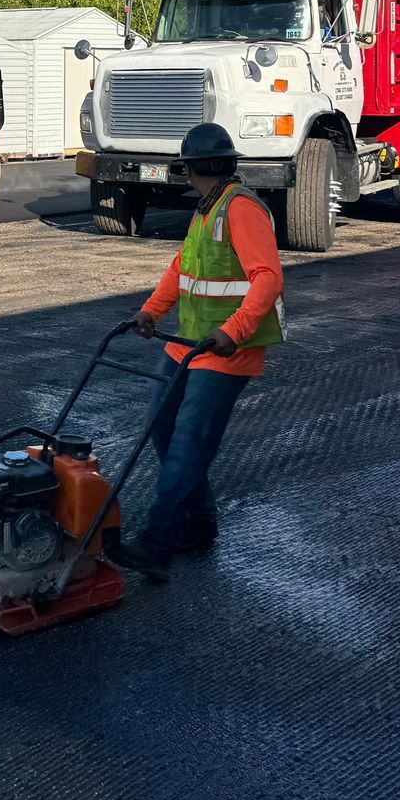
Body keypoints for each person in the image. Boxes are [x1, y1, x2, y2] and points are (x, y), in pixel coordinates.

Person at [107, 122, 283, 583]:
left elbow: (267, 277)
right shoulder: (207, 209)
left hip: (226, 348)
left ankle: (157, 545)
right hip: (187, 340)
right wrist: (150, 312)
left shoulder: (241, 209)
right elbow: (182, 267)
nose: (183, 176)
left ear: (196, 168)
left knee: (189, 442)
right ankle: (201, 522)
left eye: (185, 168)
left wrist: (235, 330)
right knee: (162, 429)